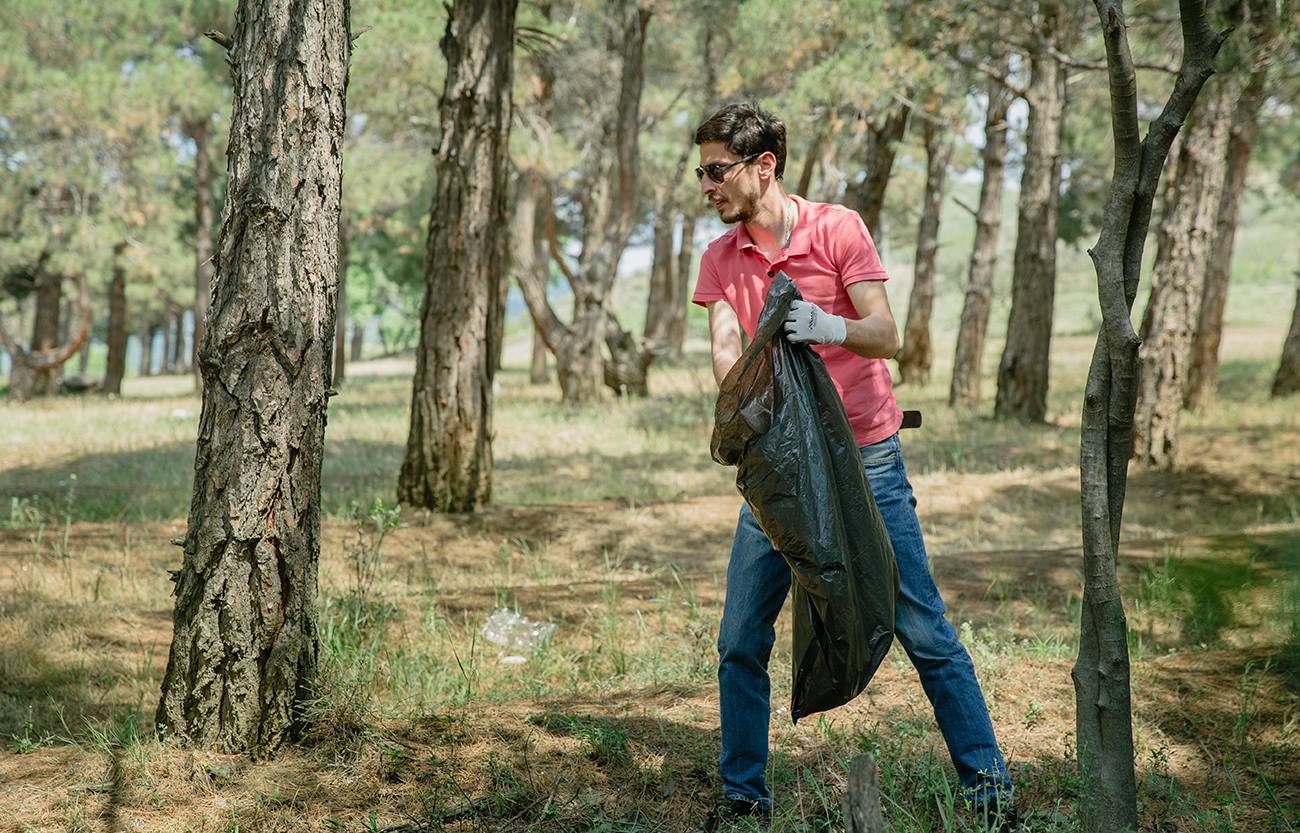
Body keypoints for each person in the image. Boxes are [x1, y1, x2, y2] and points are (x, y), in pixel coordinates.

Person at [690, 102, 1017, 832]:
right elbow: (723, 355)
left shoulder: (838, 228)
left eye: (716, 171)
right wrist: (751, 385)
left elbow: (886, 333)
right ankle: (744, 798)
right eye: (701, 174)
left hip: (867, 459)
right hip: (779, 474)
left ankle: (989, 790)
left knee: (921, 625)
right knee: (740, 638)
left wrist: (828, 325)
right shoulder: (720, 257)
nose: (706, 186)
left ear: (763, 166)